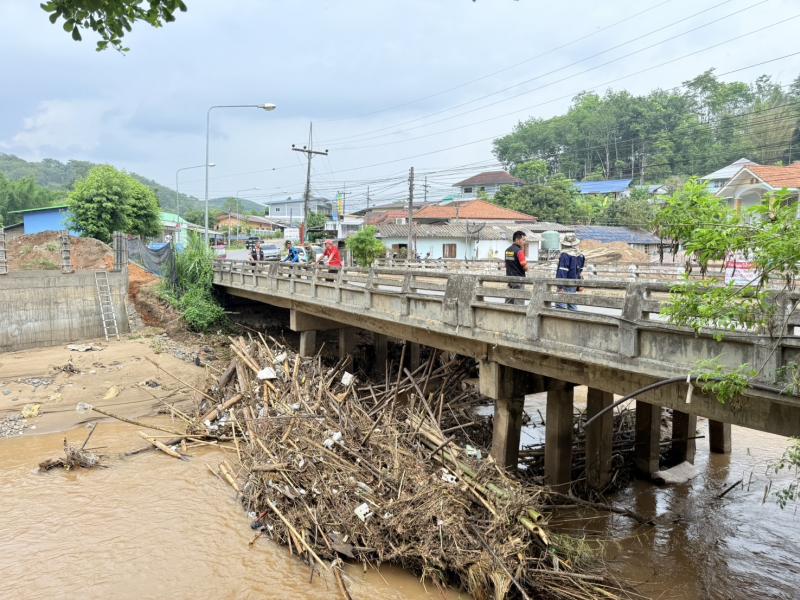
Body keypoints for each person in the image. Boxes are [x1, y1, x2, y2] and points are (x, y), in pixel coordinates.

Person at [555, 233, 584, 311]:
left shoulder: (565, 255)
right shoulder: (580, 255)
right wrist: (580, 284)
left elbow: (562, 271)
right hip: (574, 284)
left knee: (560, 305)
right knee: (572, 305)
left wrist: (560, 286)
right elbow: (580, 272)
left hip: (565, 284)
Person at [504, 230, 528, 305]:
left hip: (509, 280)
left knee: (508, 302)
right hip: (519, 280)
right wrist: (527, 266)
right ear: (517, 240)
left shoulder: (507, 250)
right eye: (523, 240)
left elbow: (506, 264)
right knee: (519, 303)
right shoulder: (519, 252)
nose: (524, 242)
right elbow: (525, 267)